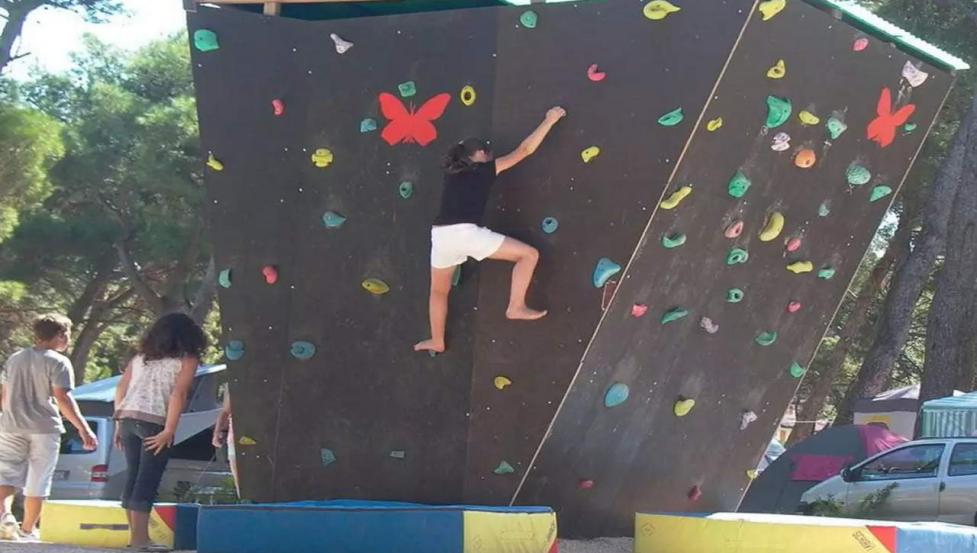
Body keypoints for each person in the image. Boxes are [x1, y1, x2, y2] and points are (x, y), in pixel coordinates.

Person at [414, 106, 567, 354]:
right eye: (488, 153)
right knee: (528, 255)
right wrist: (549, 120)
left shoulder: (451, 174)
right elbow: (525, 150)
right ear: (480, 154)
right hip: (464, 233)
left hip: (440, 236)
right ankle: (515, 305)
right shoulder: (484, 169)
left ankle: (437, 341)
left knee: (438, 291)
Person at [0, 314, 97, 542]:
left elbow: (4, 394)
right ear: (61, 335)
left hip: (11, 425)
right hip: (44, 428)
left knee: (5, 474)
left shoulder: (15, 358)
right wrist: (83, 429)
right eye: (68, 335)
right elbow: (63, 398)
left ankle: (5, 515)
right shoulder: (59, 362)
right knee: (39, 480)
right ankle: (27, 530)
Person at [114, 313, 205, 552]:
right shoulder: (187, 358)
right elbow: (178, 394)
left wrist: (118, 423)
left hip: (127, 417)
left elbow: (121, 388)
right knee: (148, 479)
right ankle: (141, 540)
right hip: (154, 421)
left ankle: (135, 537)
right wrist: (169, 429)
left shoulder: (140, 357)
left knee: (133, 476)